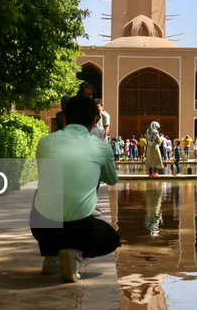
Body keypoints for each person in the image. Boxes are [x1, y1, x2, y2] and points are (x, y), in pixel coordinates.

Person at [31, 94, 120, 282]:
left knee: (43, 194)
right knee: (112, 239)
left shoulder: (45, 142)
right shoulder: (100, 147)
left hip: (42, 226)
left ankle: (52, 255)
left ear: (64, 118)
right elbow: (112, 179)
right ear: (95, 121)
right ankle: (76, 254)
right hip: (79, 227)